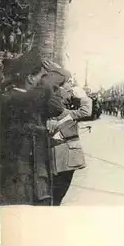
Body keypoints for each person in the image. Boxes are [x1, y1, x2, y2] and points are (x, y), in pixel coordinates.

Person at [0, 50, 65, 206]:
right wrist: (55, 74)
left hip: (33, 173)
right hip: (20, 178)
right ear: (30, 78)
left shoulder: (29, 98)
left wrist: (49, 75)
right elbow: (48, 90)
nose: (43, 82)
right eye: (41, 78)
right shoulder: (14, 98)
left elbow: (57, 108)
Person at [47, 71, 91, 206]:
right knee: (59, 192)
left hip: (51, 156)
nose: (70, 90)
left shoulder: (51, 111)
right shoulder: (67, 113)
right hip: (66, 157)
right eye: (68, 86)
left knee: (52, 193)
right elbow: (86, 111)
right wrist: (83, 96)